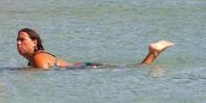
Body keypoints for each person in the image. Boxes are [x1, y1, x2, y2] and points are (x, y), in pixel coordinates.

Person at [15, 28, 173, 69]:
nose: (18, 43)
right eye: (17, 40)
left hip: (84, 69)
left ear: (35, 42)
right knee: (129, 67)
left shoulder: (38, 58)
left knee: (135, 68)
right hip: (82, 66)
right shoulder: (34, 61)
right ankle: (154, 53)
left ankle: (153, 53)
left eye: (22, 40)